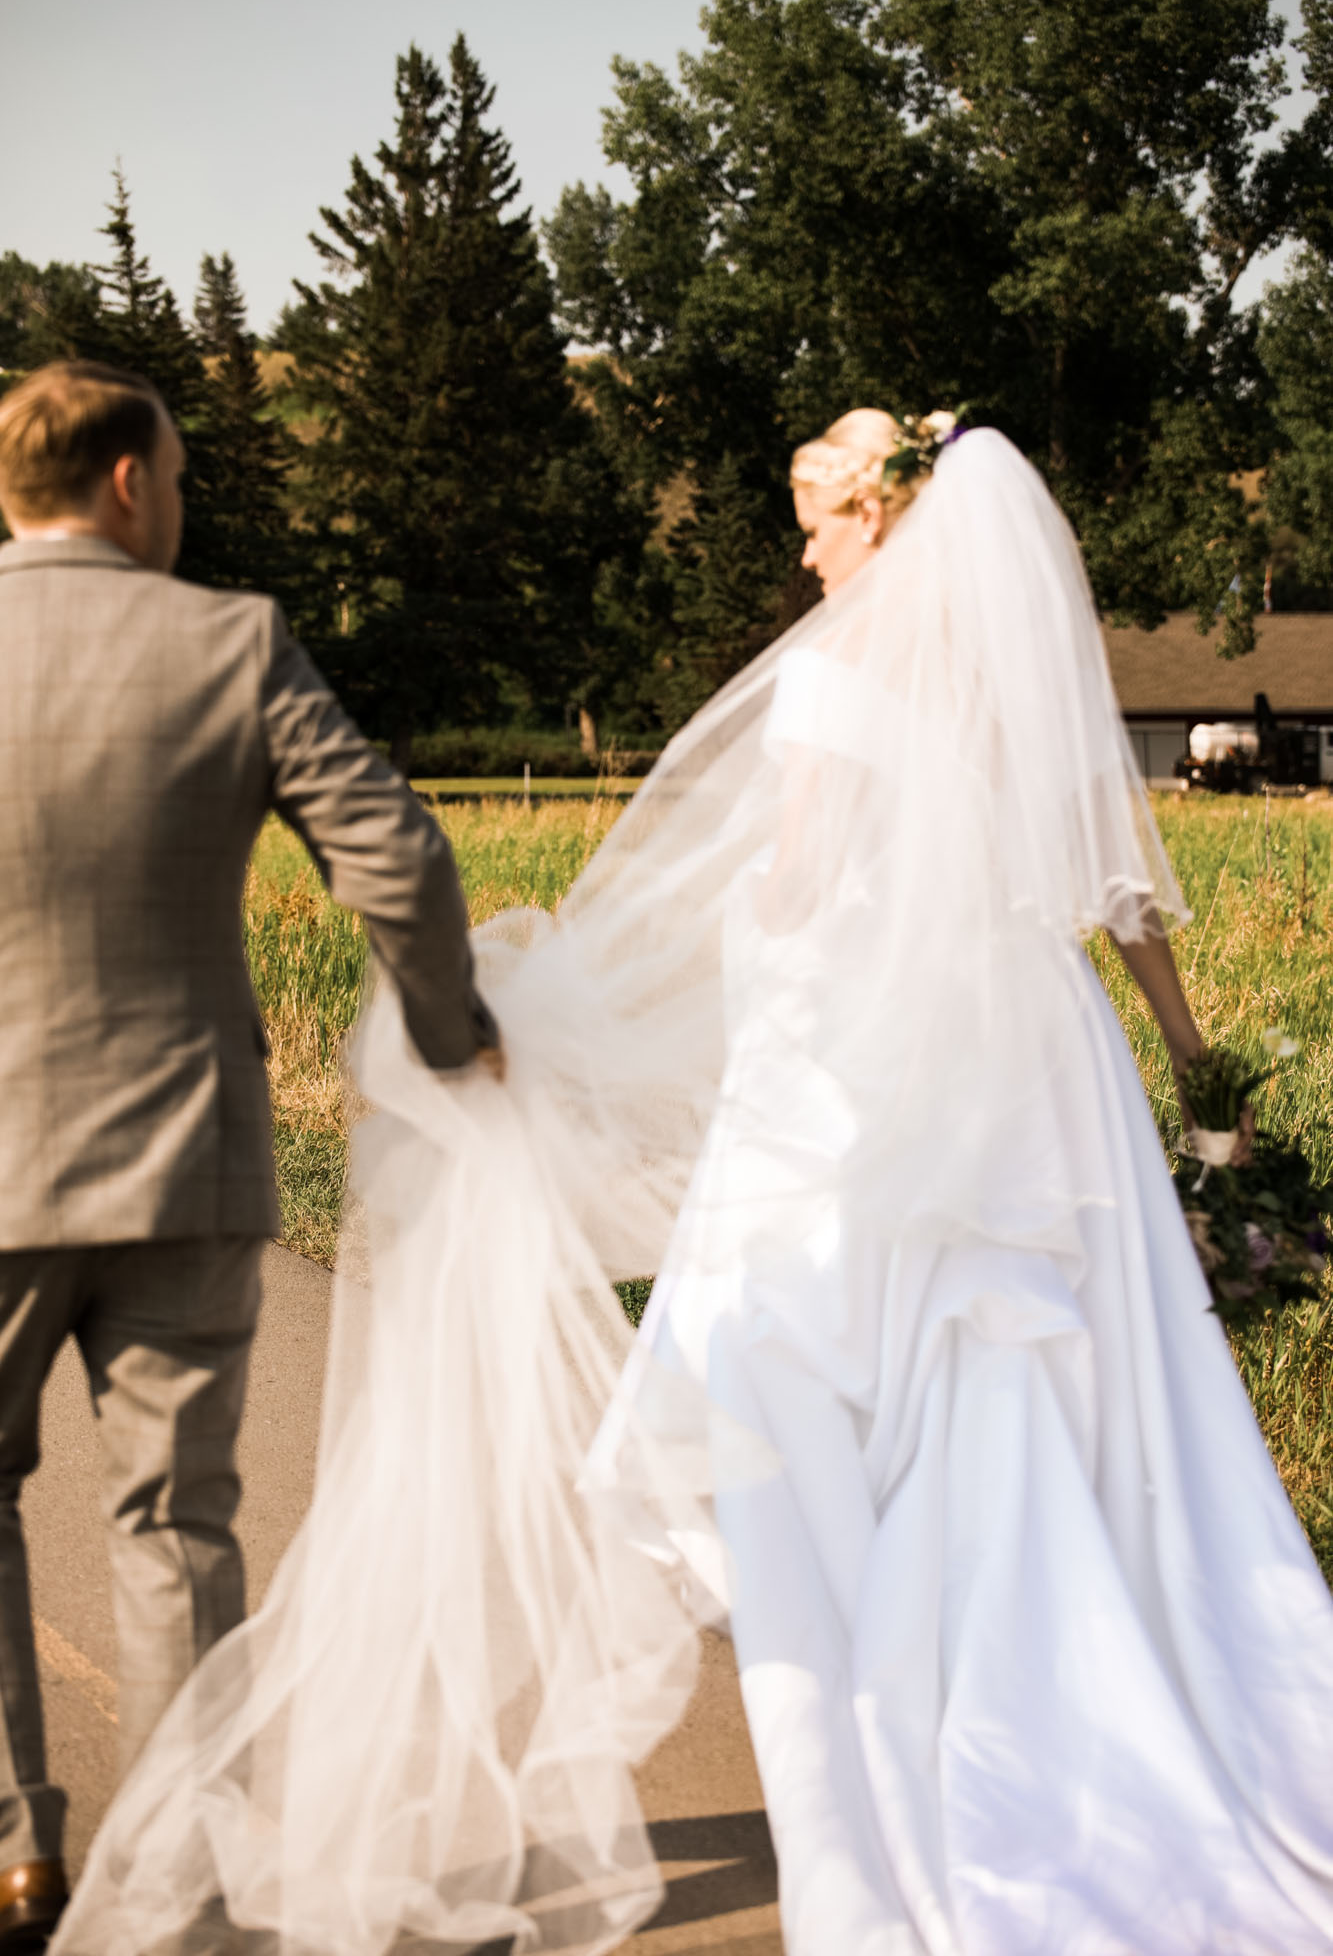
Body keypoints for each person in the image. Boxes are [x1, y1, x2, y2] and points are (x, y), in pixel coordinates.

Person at [52, 412, 1333, 1956]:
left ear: (878, 509)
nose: (802, 550)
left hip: (870, 1061)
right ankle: (1082, 1652)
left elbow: (795, 893)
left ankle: (909, 1675)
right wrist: (1192, 1069)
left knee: (807, 1359)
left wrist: (631, 1002)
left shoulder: (834, 677)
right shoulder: (1014, 682)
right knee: (1048, 1372)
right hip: (1040, 1059)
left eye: (813, 517)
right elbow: (1112, 892)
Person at [0, 360, 497, 1953]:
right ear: (130, 484)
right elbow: (400, 857)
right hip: (184, 1159)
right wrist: (443, 1033)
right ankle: (180, 1891)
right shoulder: (229, 641)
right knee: (173, 1524)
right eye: (186, 479)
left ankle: (15, 1853)